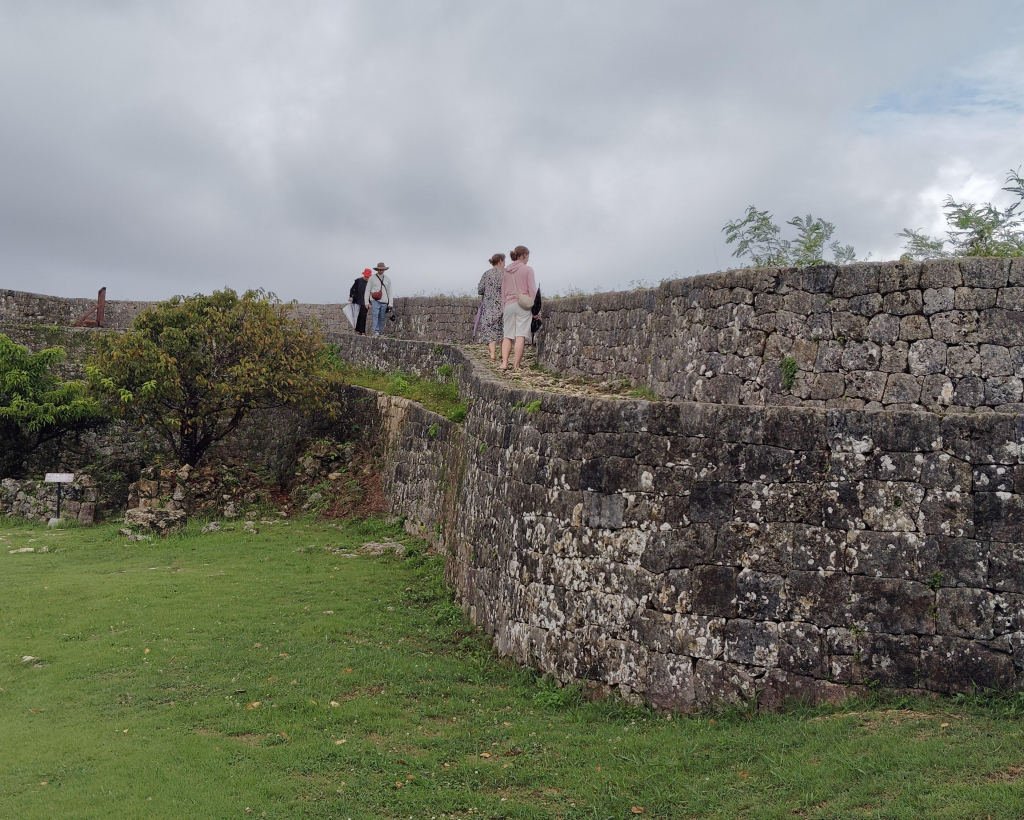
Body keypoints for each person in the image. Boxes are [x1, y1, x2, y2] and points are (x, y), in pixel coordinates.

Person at [500, 245, 537, 370]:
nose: (528, 259)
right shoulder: (528, 270)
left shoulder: (506, 271)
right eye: (527, 256)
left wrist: (504, 305)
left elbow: (503, 291)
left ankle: (504, 363)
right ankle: (516, 365)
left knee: (507, 335)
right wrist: (535, 309)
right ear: (524, 255)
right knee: (520, 335)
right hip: (523, 305)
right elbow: (532, 290)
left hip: (508, 305)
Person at [477, 253, 506, 360]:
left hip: (489, 306)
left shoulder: (486, 274)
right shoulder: (505, 273)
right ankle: (502, 352)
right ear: (500, 261)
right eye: (504, 261)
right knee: (503, 329)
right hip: (503, 305)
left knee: (490, 330)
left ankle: (492, 353)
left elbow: (480, 290)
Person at [364, 262, 393, 336]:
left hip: (384, 301)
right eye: (379, 270)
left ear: (384, 270)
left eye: (382, 270)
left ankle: (379, 331)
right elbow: (367, 290)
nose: (380, 271)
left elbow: (390, 292)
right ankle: (376, 331)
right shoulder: (372, 278)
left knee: (382, 317)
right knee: (375, 315)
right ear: (377, 270)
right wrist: (366, 302)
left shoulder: (387, 280)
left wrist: (390, 303)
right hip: (375, 300)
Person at [348, 268, 372, 335]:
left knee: (363, 316)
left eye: (368, 277)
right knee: (357, 316)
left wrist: (370, 303)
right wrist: (351, 296)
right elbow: (352, 289)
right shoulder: (358, 281)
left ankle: (362, 331)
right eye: (366, 276)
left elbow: (371, 293)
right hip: (357, 300)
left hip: (365, 301)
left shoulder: (370, 283)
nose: (366, 278)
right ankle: (357, 330)